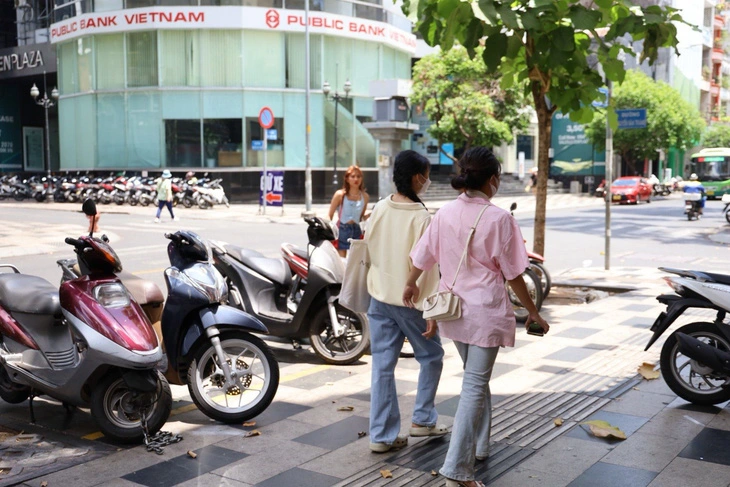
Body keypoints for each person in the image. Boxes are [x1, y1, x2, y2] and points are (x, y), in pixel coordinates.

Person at [403, 147, 549, 487]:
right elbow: (514, 274)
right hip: (484, 313)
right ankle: (457, 470)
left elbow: (422, 256)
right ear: (493, 179)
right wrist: (533, 312)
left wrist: (410, 283)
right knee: (474, 384)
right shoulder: (500, 219)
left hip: (453, 312)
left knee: (475, 379)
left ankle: (480, 445)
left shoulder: (445, 213)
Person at [365, 150, 446, 454]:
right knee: (432, 355)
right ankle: (423, 419)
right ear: (417, 178)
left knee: (382, 366)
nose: (427, 181)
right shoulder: (421, 216)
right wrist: (432, 310)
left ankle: (381, 436)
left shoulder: (380, 207)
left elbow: (369, 247)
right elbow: (427, 266)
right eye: (426, 176)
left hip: (379, 297)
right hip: (411, 302)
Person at [328, 165, 370, 257]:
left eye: (358, 176)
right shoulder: (340, 195)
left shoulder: (365, 196)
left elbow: (360, 218)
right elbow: (329, 215)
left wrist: (370, 215)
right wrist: (329, 230)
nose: (356, 179)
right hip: (342, 229)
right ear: (347, 179)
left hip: (356, 230)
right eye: (353, 176)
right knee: (342, 260)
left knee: (356, 260)